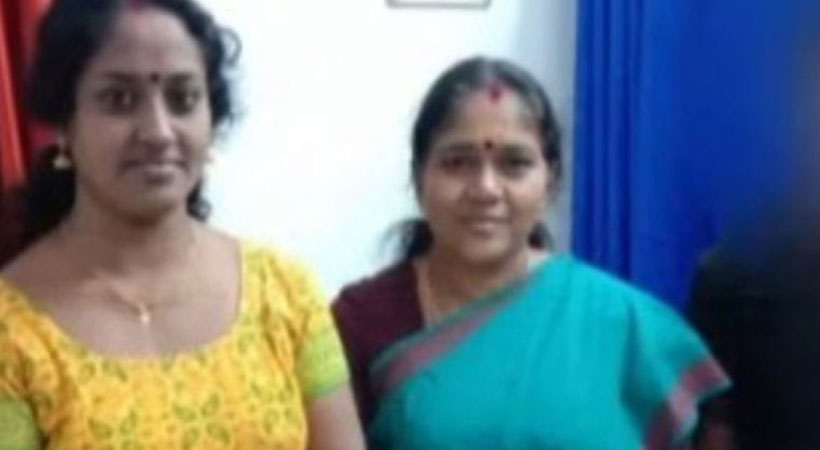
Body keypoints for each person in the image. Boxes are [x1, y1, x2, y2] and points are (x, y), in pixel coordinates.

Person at [0, 0, 365, 448]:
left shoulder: (284, 292)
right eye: (119, 99)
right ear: (64, 124)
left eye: (183, 99)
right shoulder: (11, 329)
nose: (158, 131)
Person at [332, 56, 729, 449]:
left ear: (550, 182)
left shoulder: (628, 326)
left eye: (514, 164)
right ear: (420, 178)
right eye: (457, 163)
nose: (486, 189)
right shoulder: (363, 321)